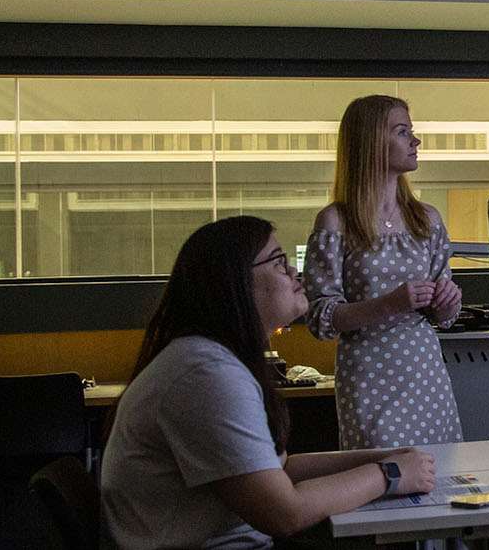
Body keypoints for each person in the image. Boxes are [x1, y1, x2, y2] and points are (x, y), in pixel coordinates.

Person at [101, 215, 437, 550]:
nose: (295, 272)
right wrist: (389, 474)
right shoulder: (205, 374)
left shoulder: (211, 361)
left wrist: (380, 458)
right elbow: (284, 512)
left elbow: (282, 468)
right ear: (236, 283)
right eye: (279, 262)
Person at [302, 95, 465, 450]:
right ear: (372, 142)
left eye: (412, 131)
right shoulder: (335, 222)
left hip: (425, 369)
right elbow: (319, 318)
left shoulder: (428, 219)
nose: (415, 141)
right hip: (368, 372)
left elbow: (444, 316)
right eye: (402, 132)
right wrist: (389, 303)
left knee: (441, 472)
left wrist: (448, 302)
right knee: (380, 476)